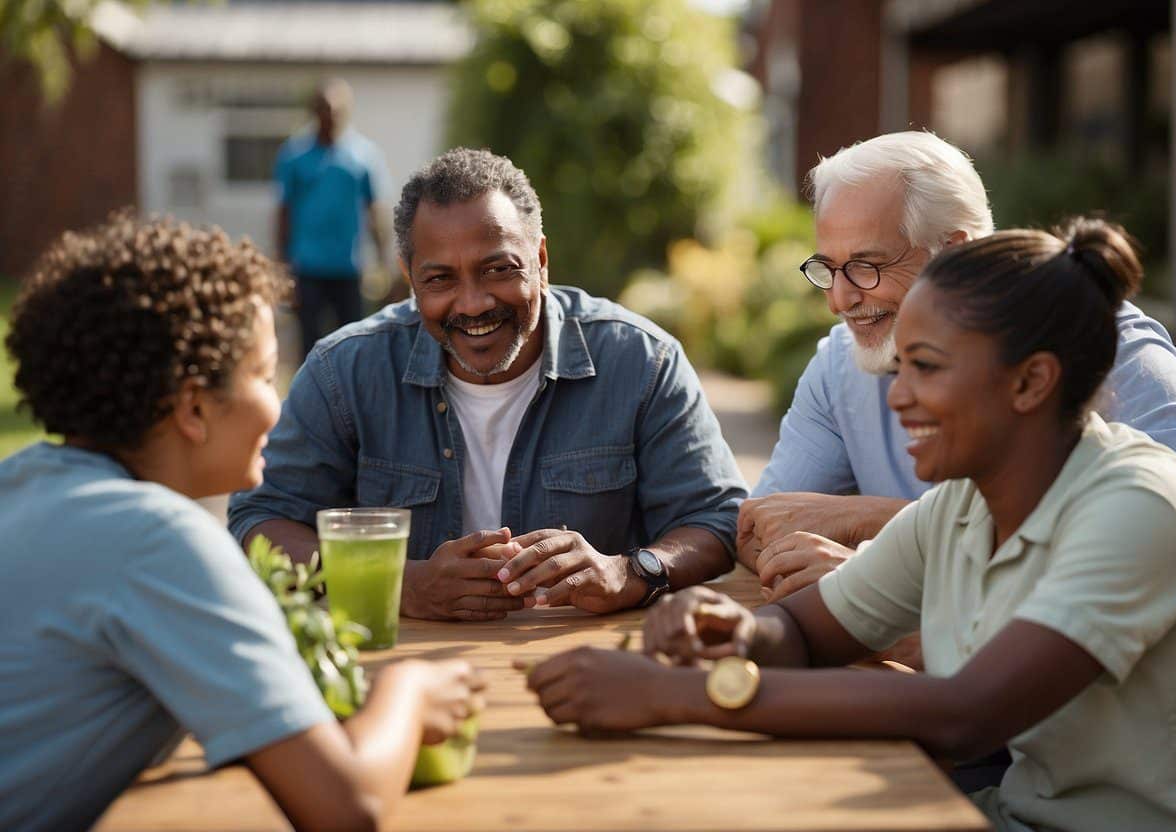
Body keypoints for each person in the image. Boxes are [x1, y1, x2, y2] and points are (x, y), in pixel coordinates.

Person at [521, 219, 1176, 832]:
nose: (899, 397)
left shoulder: (1139, 503)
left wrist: (674, 695)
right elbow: (802, 632)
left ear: (1030, 382)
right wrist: (734, 632)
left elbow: (965, 714)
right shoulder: (961, 504)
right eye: (898, 368)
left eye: (925, 369)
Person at [0, 214, 485, 831]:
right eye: (262, 374)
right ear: (195, 409)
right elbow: (345, 805)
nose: (276, 404)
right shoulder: (157, 539)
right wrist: (410, 692)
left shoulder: (24, 484)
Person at [229, 148, 747, 622]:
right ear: (410, 279)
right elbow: (261, 520)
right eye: (440, 280)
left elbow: (717, 519)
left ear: (541, 261)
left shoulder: (641, 361)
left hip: (590, 669)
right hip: (401, 673)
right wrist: (398, 584)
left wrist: (630, 573)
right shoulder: (343, 371)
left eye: (498, 269)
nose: (473, 303)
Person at [740, 131, 1176, 601]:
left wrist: (877, 531)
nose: (839, 301)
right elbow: (761, 533)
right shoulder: (841, 361)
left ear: (954, 250)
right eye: (828, 269)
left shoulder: (1104, 342)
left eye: (868, 265)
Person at [275, 78, 390, 358]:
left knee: (353, 343)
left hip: (348, 267)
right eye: (325, 109)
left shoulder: (364, 156)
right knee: (309, 344)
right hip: (308, 266)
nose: (331, 115)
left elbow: (374, 210)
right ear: (314, 111)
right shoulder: (294, 155)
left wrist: (383, 259)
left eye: (337, 109)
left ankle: (349, 400)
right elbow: (283, 211)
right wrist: (282, 262)